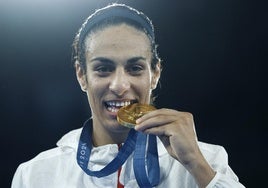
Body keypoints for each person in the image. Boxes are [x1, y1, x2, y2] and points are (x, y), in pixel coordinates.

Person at [11, 3, 245, 188]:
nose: (120, 85)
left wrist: (196, 164)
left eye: (135, 68)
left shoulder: (207, 161)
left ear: (155, 73)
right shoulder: (36, 175)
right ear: (82, 75)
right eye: (103, 68)